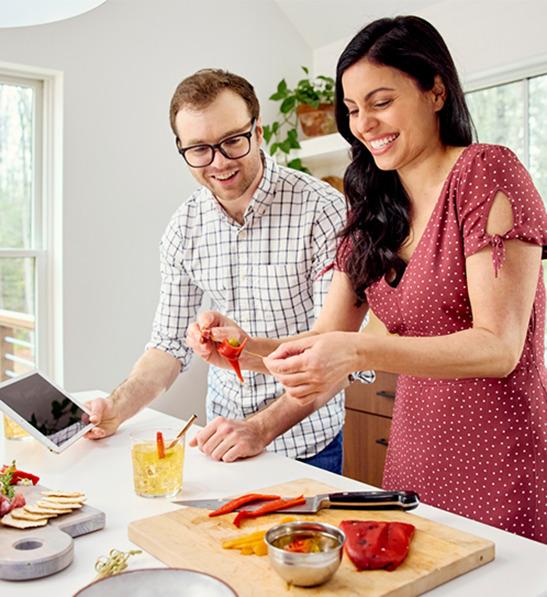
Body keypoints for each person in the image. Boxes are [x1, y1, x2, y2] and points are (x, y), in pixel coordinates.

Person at [194, 18, 547, 543]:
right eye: (353, 110)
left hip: (498, 463)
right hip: (412, 465)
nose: (364, 124)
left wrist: (359, 353)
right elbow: (324, 345)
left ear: (435, 90)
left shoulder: (485, 173)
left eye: (380, 102)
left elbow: (499, 346)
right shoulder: (374, 209)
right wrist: (245, 349)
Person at [85, 68, 349, 473]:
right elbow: (167, 347)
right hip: (223, 441)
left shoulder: (322, 210)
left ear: (258, 132)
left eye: (232, 142)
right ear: (182, 148)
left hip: (307, 444)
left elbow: (338, 353)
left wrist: (259, 428)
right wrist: (116, 408)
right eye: (200, 149)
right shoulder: (184, 228)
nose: (219, 162)